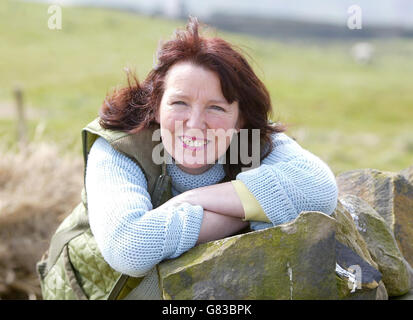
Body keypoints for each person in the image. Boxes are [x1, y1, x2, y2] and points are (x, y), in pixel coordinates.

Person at [38, 17, 338, 300]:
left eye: (216, 108)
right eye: (179, 103)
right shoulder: (119, 147)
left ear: (241, 119)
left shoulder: (251, 141)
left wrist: (192, 198)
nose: (195, 123)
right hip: (95, 290)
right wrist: (247, 210)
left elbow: (320, 189)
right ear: (155, 106)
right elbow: (129, 248)